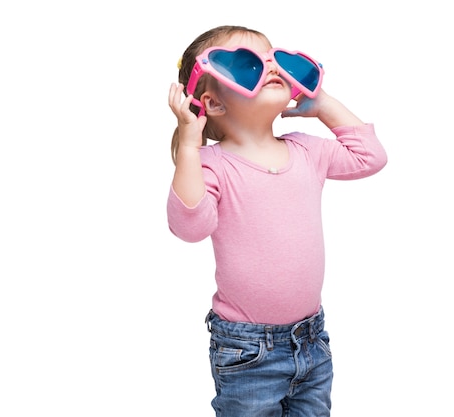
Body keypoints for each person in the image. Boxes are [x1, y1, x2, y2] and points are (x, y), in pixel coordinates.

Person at [166, 25, 387, 417]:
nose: (269, 67)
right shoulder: (211, 165)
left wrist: (322, 105)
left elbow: (370, 157)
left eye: (274, 59)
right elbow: (190, 227)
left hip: (311, 337)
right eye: (246, 64)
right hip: (247, 348)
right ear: (213, 104)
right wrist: (188, 143)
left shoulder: (306, 149)